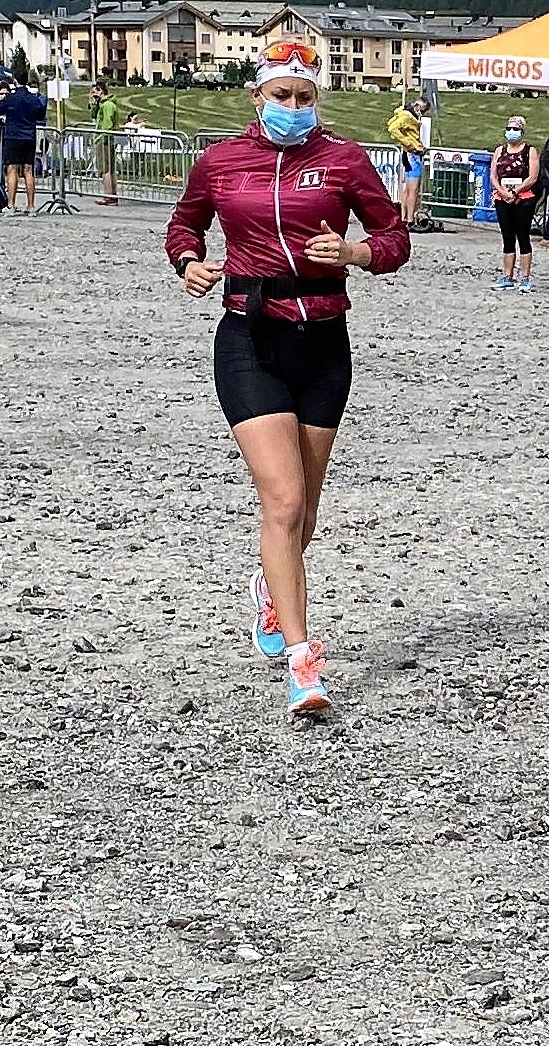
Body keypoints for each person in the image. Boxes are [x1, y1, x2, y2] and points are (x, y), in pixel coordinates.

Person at [161, 37, 409, 720]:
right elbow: (184, 224)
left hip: (323, 341)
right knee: (282, 501)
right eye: (281, 97)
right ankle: (303, 664)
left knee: (305, 510)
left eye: (304, 99)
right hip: (249, 336)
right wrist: (188, 261)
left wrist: (356, 251)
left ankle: (273, 590)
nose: (293, 109)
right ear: (257, 96)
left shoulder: (343, 159)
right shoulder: (221, 161)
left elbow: (394, 238)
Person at [487, 114, 541, 292]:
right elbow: (493, 175)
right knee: (507, 237)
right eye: (509, 129)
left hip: (523, 198)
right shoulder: (499, 151)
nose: (511, 132)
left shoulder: (530, 151)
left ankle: (525, 277)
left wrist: (516, 191)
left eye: (516, 129)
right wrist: (502, 192)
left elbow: (533, 176)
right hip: (502, 197)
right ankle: (507, 275)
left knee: (523, 236)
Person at [0, 70, 51, 212]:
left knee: (12, 169)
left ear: (14, 80)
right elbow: (40, 112)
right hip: (29, 136)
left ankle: (11, 205)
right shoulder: (32, 98)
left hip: (13, 136)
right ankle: (31, 206)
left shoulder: (11, 98)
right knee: (28, 171)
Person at [386, 94, 427, 228]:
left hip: (410, 154)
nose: (423, 113)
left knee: (407, 189)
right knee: (413, 189)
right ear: (416, 106)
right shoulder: (407, 116)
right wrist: (409, 144)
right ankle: (410, 219)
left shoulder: (406, 115)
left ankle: (404, 217)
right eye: (423, 109)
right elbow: (393, 128)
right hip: (411, 155)